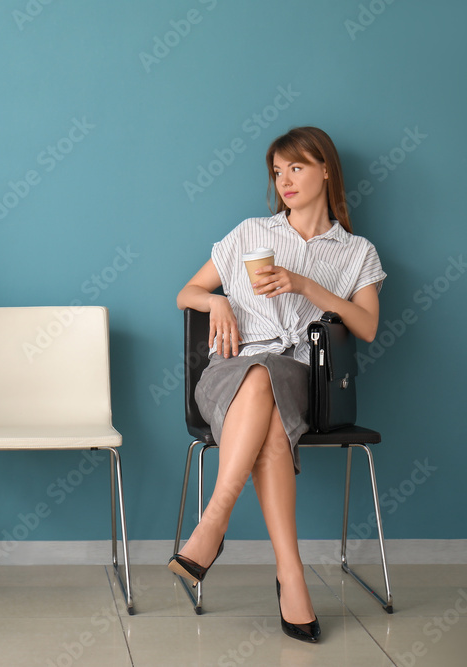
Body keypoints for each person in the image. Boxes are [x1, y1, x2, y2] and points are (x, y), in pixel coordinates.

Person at [171, 126, 385, 643]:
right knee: (260, 377)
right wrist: (216, 300)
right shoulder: (249, 233)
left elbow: (368, 326)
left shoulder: (356, 251)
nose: (284, 180)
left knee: (271, 379)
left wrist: (307, 285)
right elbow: (186, 292)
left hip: (307, 380)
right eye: (278, 171)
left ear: (326, 169)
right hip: (230, 375)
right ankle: (290, 575)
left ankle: (212, 525)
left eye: (297, 167)